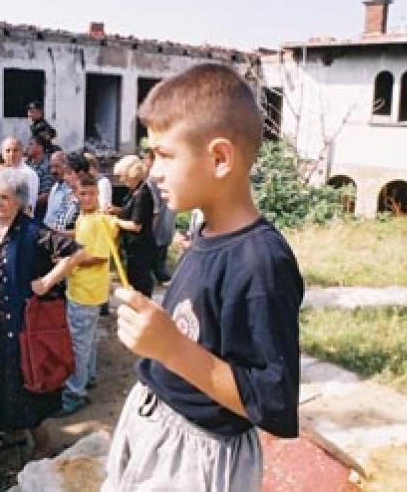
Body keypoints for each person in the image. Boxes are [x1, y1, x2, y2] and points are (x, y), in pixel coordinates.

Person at [103, 64, 304, 492]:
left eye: (164, 155)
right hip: (155, 421)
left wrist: (170, 347)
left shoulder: (261, 262)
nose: (153, 170)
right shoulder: (205, 231)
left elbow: (272, 402)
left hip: (197, 456)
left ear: (218, 158)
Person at [0, 167, 83, 459]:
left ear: (18, 200)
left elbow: (76, 252)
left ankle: (43, 443)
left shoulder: (32, 231)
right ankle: (12, 434)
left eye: (5, 197)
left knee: (24, 385)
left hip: (24, 323)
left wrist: (46, 282)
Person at [58, 173, 116, 416]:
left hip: (86, 291)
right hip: (81, 288)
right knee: (87, 339)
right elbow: (83, 239)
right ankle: (87, 377)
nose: (88, 198)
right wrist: (61, 235)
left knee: (78, 342)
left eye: (92, 194)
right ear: (76, 195)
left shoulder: (99, 220)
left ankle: (75, 392)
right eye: (83, 194)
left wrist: (68, 262)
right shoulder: (84, 217)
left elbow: (100, 256)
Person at [109, 154, 156, 298]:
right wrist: (115, 210)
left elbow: (136, 225)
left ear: (132, 174)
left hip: (141, 246)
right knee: (132, 279)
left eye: (123, 176)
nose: (121, 180)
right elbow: (130, 211)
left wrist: (115, 221)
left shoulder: (143, 193)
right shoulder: (135, 191)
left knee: (139, 281)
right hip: (132, 246)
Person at [143, 149, 177, 283]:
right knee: (161, 254)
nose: (144, 162)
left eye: (145, 158)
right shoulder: (167, 176)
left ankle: (163, 278)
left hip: (158, 222)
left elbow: (155, 207)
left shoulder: (151, 180)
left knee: (156, 258)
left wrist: (151, 228)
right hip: (167, 221)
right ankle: (162, 278)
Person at [0, 137, 39, 217]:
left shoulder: (28, 174)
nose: (11, 154)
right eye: (8, 151)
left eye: (15, 150)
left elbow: (28, 205)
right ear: (2, 154)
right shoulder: (0, 173)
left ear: (22, 152)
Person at [27, 135, 54, 218]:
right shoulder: (27, 163)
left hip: (37, 212)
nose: (28, 147)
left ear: (40, 147)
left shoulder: (47, 167)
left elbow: (46, 195)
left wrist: (28, 205)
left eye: (31, 144)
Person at [42, 151, 68, 228]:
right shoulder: (54, 187)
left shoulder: (71, 190)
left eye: (57, 166)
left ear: (66, 166)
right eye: (51, 167)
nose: (53, 171)